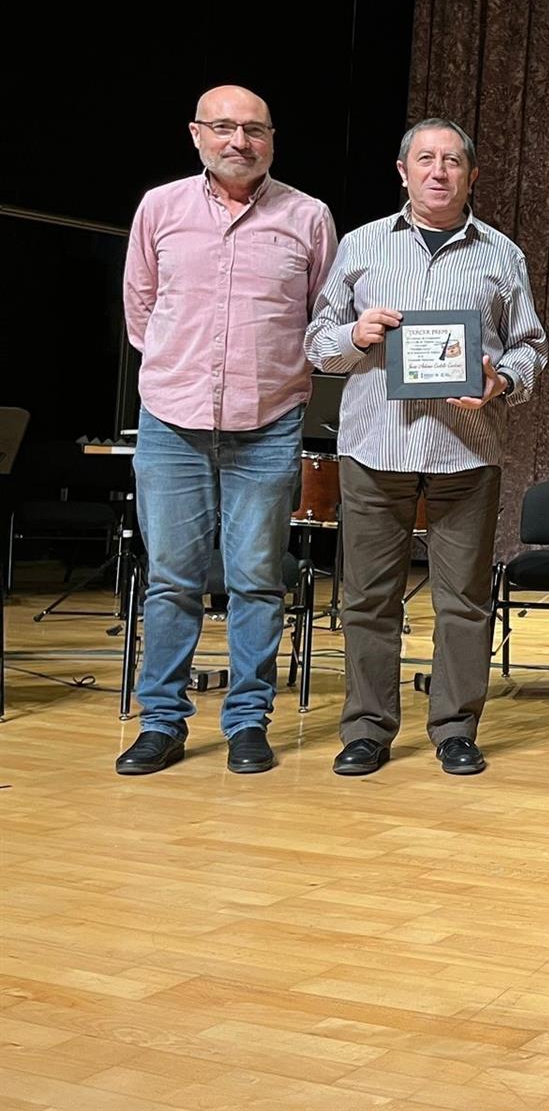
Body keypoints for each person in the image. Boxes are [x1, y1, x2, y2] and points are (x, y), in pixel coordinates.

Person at [305, 118, 548, 776]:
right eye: (425, 159)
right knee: (367, 600)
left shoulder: (502, 253)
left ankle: (454, 730)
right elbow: (317, 343)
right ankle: (366, 730)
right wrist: (354, 335)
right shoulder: (359, 246)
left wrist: (501, 380)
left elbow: (531, 347)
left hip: (464, 453)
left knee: (463, 603)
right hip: (374, 449)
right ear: (402, 170)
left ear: (471, 175)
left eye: (452, 161)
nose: (438, 171)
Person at [116, 85, 338, 775]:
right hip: (171, 422)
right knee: (173, 581)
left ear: (273, 138)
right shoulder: (160, 208)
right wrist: (178, 372)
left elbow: (323, 320)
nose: (239, 141)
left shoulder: (308, 216)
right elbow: (140, 307)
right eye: (224, 128)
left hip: (267, 424)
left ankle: (247, 722)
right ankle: (162, 723)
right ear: (196, 135)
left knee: (256, 580)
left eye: (254, 129)